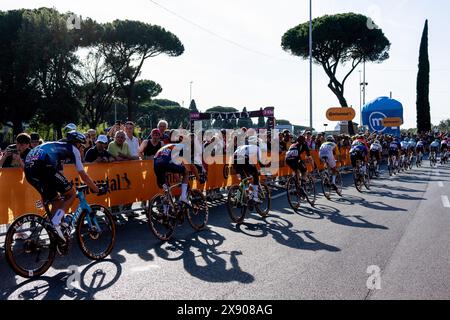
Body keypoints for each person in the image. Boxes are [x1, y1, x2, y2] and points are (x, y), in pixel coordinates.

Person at [24, 131, 102, 242]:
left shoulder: (58, 148)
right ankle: (56, 221)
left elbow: (59, 175)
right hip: (43, 166)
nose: (82, 149)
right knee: (71, 194)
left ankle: (51, 230)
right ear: (78, 143)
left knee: (56, 200)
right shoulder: (73, 149)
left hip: (29, 170)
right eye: (82, 146)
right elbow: (83, 174)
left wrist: (63, 188)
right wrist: (96, 189)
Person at [232, 136, 268, 204]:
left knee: (244, 179)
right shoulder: (257, 148)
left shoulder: (241, 146)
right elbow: (261, 161)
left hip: (234, 161)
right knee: (255, 175)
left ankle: (238, 198)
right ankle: (255, 197)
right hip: (244, 160)